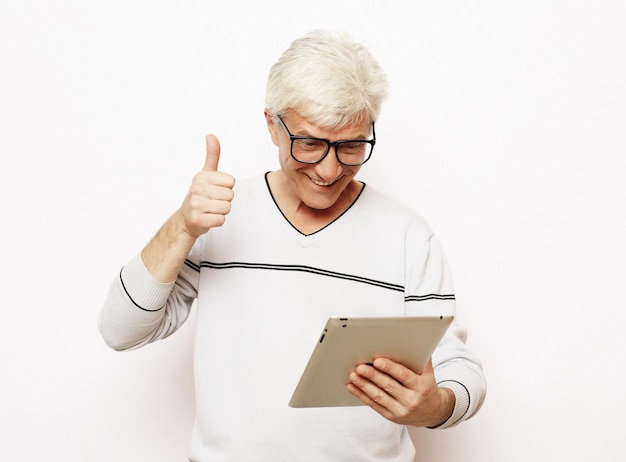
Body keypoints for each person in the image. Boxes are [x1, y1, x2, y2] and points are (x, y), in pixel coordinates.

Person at [99, 29, 486, 461]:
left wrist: (435, 406)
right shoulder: (217, 218)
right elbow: (119, 331)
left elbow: (460, 370)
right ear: (272, 125)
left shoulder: (408, 237)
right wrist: (182, 227)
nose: (328, 169)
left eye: (351, 146)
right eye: (310, 144)